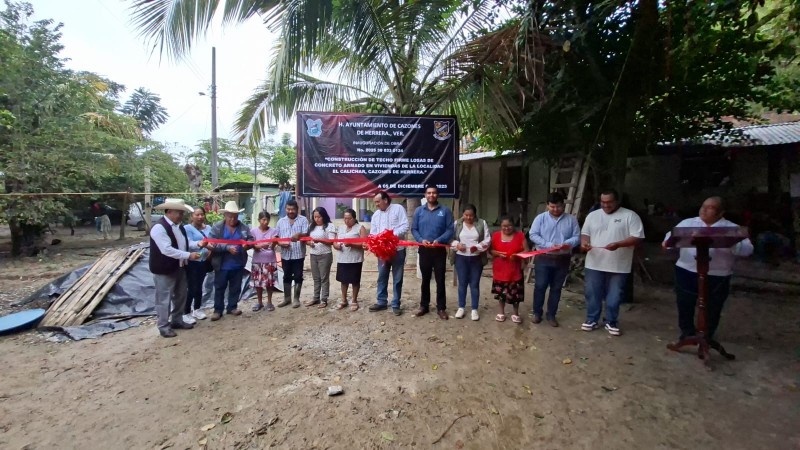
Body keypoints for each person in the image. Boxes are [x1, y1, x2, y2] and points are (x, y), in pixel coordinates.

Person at [662, 197, 753, 343]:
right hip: (686, 270)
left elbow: (747, 249)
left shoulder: (731, 228)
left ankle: (707, 336)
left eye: (710, 207)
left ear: (721, 212)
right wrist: (669, 243)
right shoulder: (688, 223)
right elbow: (668, 240)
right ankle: (687, 333)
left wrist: (729, 243)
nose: (704, 210)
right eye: (703, 206)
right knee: (685, 303)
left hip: (717, 274)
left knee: (713, 306)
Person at [580, 189, 644, 336]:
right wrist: (584, 243)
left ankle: (611, 321)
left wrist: (619, 244)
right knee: (592, 293)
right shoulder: (593, 215)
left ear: (617, 201)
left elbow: (638, 237)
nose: (605, 205)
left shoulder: (630, 215)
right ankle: (592, 319)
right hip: (594, 263)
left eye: (609, 202)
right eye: (603, 202)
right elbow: (585, 233)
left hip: (619, 265)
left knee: (614, 296)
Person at [148, 198, 204, 338]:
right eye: (178, 212)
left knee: (180, 295)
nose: (181, 215)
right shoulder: (159, 228)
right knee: (164, 298)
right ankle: (163, 326)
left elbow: (184, 244)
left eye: (181, 212)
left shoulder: (179, 227)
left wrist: (198, 244)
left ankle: (177, 320)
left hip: (180, 266)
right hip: (164, 268)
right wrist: (188, 255)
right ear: (169, 212)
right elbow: (166, 249)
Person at [528, 192, 580, 327]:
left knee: (556, 288)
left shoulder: (571, 220)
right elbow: (533, 234)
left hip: (563, 258)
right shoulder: (540, 218)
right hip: (543, 257)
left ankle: (551, 315)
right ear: (547, 206)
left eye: (558, 206)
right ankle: (537, 313)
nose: (555, 209)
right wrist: (549, 245)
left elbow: (577, 237)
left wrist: (566, 244)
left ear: (563, 205)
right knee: (540, 286)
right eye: (552, 207)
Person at [411, 185, 454, 320]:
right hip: (424, 250)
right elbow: (414, 229)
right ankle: (424, 306)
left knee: (440, 279)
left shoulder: (445, 211)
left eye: (434, 193)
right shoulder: (419, 211)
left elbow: (450, 229)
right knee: (425, 279)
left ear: (438, 195)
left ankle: (441, 308)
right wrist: (421, 240)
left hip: (439, 250)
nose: (431, 195)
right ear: (425, 195)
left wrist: (439, 240)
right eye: (429, 193)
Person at [208, 201, 254, 320]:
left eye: (235, 216)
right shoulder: (217, 227)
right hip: (222, 264)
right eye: (230, 217)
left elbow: (251, 239)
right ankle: (218, 310)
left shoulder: (243, 227)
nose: (232, 219)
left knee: (236, 287)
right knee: (219, 287)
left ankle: (232, 307)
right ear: (225, 215)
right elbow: (211, 243)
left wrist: (247, 245)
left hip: (238, 264)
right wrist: (227, 248)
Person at [368, 191, 409, 316]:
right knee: (382, 276)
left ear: (385, 200)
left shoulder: (398, 209)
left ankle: (396, 304)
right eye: (375, 202)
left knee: (397, 278)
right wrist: (376, 242)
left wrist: (389, 236)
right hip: (382, 252)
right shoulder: (376, 215)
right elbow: (373, 233)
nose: (376, 204)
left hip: (398, 250)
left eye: (378, 201)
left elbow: (405, 226)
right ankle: (381, 302)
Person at [450, 204, 491, 321]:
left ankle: (474, 309)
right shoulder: (457, 224)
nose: (468, 218)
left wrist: (477, 247)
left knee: (474, 284)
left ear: (475, 215)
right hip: (461, 258)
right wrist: (457, 245)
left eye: (471, 215)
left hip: (476, 258)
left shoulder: (482, 223)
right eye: (466, 215)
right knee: (462, 283)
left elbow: (487, 239)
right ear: (463, 214)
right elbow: (450, 238)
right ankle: (461, 307)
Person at [491, 216, 529, 323]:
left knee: (516, 294)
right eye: (504, 226)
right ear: (500, 226)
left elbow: (527, 250)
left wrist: (517, 255)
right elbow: (491, 250)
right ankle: (501, 312)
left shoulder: (520, 236)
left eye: (509, 226)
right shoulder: (496, 235)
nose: (507, 228)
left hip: (515, 269)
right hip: (500, 269)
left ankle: (516, 313)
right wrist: (498, 253)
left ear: (513, 225)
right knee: (501, 293)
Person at [276, 200, 309, 308]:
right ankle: (287, 298)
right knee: (286, 276)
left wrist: (299, 234)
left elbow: (306, 234)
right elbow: (276, 237)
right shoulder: (280, 222)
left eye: (292, 209)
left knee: (298, 276)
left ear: (297, 209)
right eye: (288, 209)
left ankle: (296, 299)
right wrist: (280, 243)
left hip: (298, 254)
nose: (290, 211)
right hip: (285, 254)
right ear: (285, 209)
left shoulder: (303, 220)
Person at [183, 206, 213, 324]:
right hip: (192, 262)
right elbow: (188, 243)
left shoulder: (208, 228)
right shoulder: (187, 228)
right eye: (197, 215)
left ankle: (197, 309)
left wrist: (211, 248)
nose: (200, 217)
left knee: (200, 286)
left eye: (202, 214)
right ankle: (186, 312)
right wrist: (200, 244)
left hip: (204, 261)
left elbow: (212, 241)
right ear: (192, 216)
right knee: (191, 287)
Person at [334, 208, 368, 311]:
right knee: (343, 280)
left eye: (349, 218)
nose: (346, 221)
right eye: (345, 218)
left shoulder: (360, 228)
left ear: (354, 218)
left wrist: (352, 244)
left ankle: (354, 300)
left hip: (355, 259)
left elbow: (364, 243)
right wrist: (336, 246)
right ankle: (344, 300)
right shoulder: (341, 228)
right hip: (342, 258)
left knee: (355, 280)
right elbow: (335, 241)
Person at [305, 207, 337, 308]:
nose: (317, 219)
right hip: (313, 254)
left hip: (325, 255)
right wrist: (309, 243)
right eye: (315, 217)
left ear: (324, 216)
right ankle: (316, 298)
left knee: (324, 278)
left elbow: (331, 241)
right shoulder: (311, 226)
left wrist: (320, 240)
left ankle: (324, 299)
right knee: (316, 278)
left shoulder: (330, 226)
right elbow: (307, 239)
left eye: (319, 217)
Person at [250, 211, 279, 312]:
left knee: (269, 283)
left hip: (270, 260)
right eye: (263, 220)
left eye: (267, 220)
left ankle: (269, 302)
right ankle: (259, 302)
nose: (265, 222)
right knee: (258, 283)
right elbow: (252, 245)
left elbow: (273, 245)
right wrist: (260, 246)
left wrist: (273, 242)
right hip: (257, 260)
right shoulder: (253, 231)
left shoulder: (273, 231)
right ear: (259, 220)